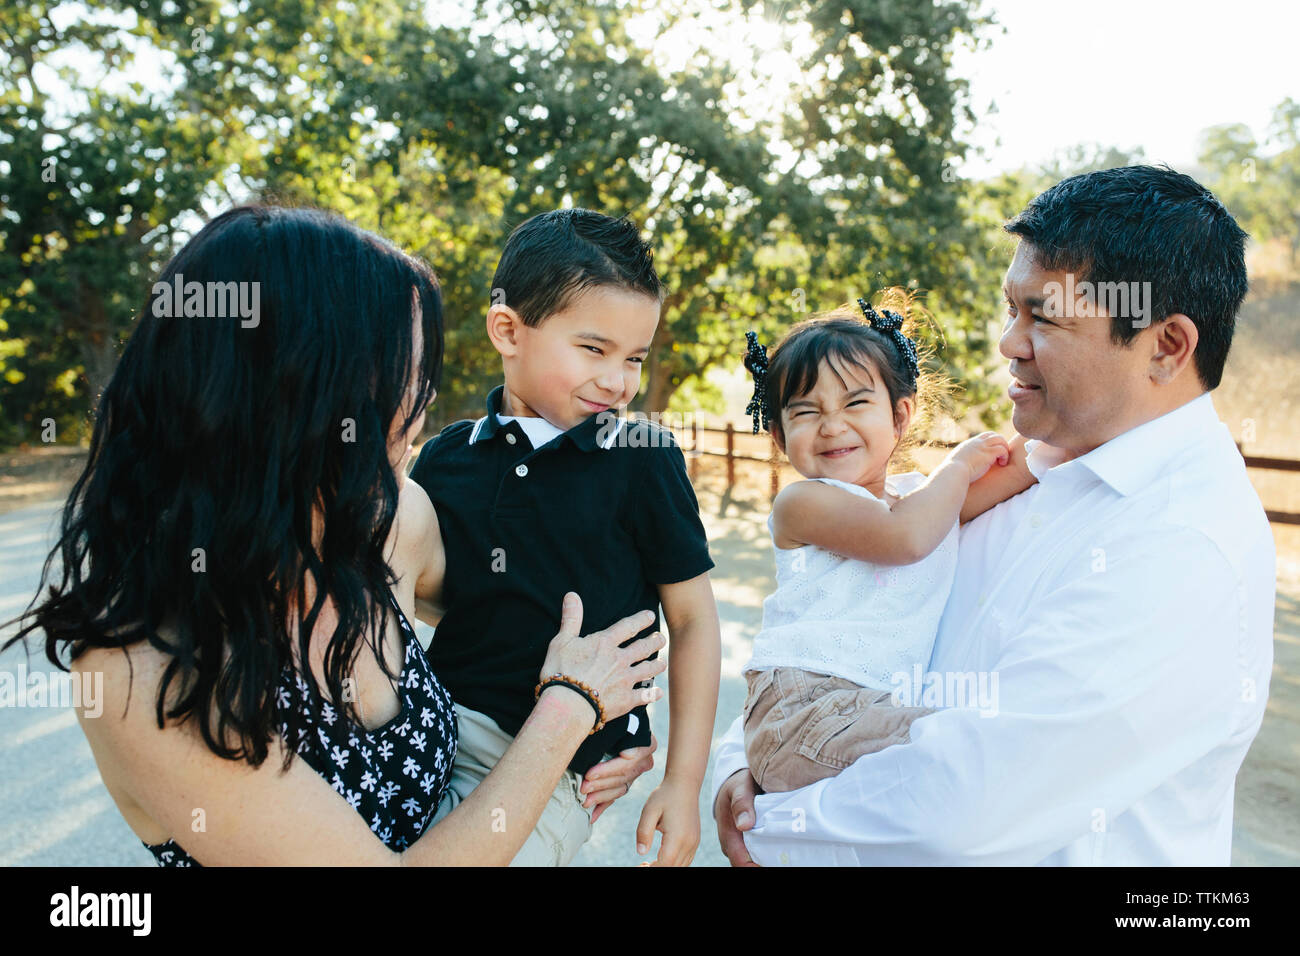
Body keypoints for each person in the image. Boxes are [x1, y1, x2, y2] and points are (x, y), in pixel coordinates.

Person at [2, 204, 665, 866]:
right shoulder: (143, 670)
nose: (423, 399)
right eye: (406, 371)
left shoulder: (392, 521)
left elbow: (528, 610)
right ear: (304, 395)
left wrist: (614, 726)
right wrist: (567, 713)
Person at [712, 164, 1277, 866]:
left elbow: (955, 807)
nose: (1008, 342)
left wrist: (770, 817)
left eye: (1043, 316)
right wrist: (740, 760)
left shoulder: (1185, 548)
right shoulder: (1017, 471)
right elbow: (827, 627)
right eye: (1011, 308)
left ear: (1164, 347)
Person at [409, 208, 721, 866]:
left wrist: (683, 782)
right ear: (508, 331)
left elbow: (693, 621)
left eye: (635, 357)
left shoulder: (642, 457)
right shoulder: (445, 460)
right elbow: (434, 597)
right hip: (436, 727)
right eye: (594, 349)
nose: (618, 380)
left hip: (564, 768)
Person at [735, 293, 1049, 794]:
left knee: (972, 755)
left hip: (865, 707)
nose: (832, 425)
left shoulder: (917, 500)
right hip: (808, 706)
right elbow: (905, 539)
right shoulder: (802, 503)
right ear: (778, 436)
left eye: (856, 402)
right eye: (806, 412)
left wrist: (1083, 416)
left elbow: (1025, 463)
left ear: (900, 416)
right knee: (972, 748)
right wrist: (960, 466)